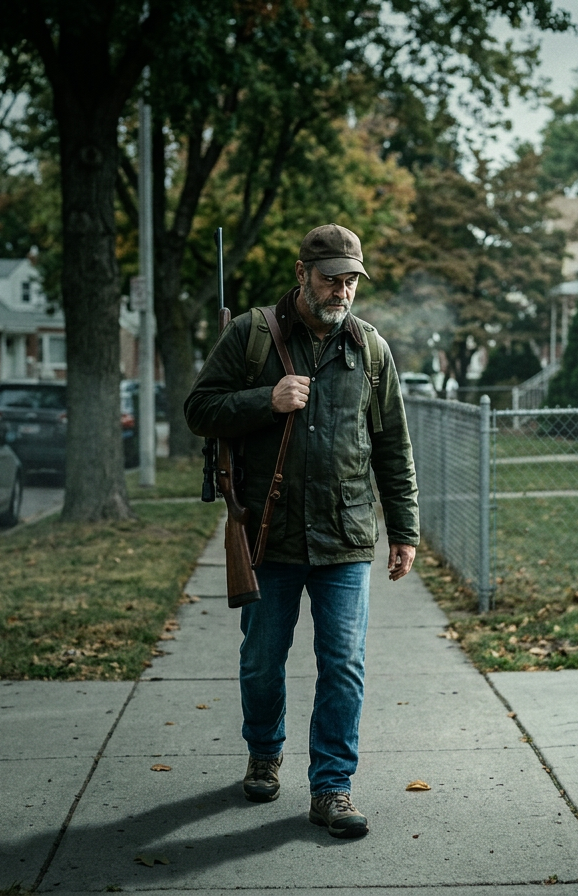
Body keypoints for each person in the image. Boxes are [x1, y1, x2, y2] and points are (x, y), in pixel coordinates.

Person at [184, 223, 419, 839]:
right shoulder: (251, 336)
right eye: (330, 278)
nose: (341, 290)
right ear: (302, 275)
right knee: (263, 660)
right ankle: (264, 752)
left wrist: (405, 529)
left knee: (343, 663)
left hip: (344, 537)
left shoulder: (371, 350)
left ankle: (332, 787)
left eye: (350, 280)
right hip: (268, 532)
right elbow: (199, 409)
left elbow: (392, 444)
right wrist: (266, 399)